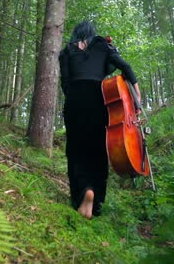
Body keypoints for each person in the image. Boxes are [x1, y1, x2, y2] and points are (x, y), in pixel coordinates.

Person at [59, 20, 140, 219]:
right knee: (98, 151)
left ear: (76, 35)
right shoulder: (103, 46)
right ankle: (96, 204)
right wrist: (136, 98)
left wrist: (75, 97)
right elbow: (125, 68)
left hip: (75, 102)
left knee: (76, 150)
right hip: (99, 99)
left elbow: (66, 84)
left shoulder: (66, 52)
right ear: (92, 34)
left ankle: (83, 192)